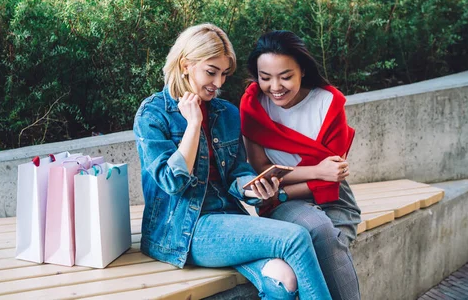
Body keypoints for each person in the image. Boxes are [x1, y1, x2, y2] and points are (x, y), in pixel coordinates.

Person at [133, 23, 332, 300]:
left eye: (224, 74)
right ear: (185, 64)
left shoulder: (225, 112)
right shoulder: (153, 114)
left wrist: (253, 189)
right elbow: (172, 182)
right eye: (211, 72)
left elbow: (238, 172)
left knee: (282, 280)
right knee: (295, 238)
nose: (219, 83)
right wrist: (193, 125)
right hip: (184, 230)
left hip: (228, 220)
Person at [240, 30, 362, 300]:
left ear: (303, 71)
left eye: (285, 77)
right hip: (282, 203)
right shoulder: (253, 105)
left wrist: (284, 188)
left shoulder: (329, 103)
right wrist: (317, 172)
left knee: (324, 248)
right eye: (265, 78)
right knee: (318, 231)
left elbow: (333, 178)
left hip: (335, 200)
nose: (275, 87)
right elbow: (262, 169)